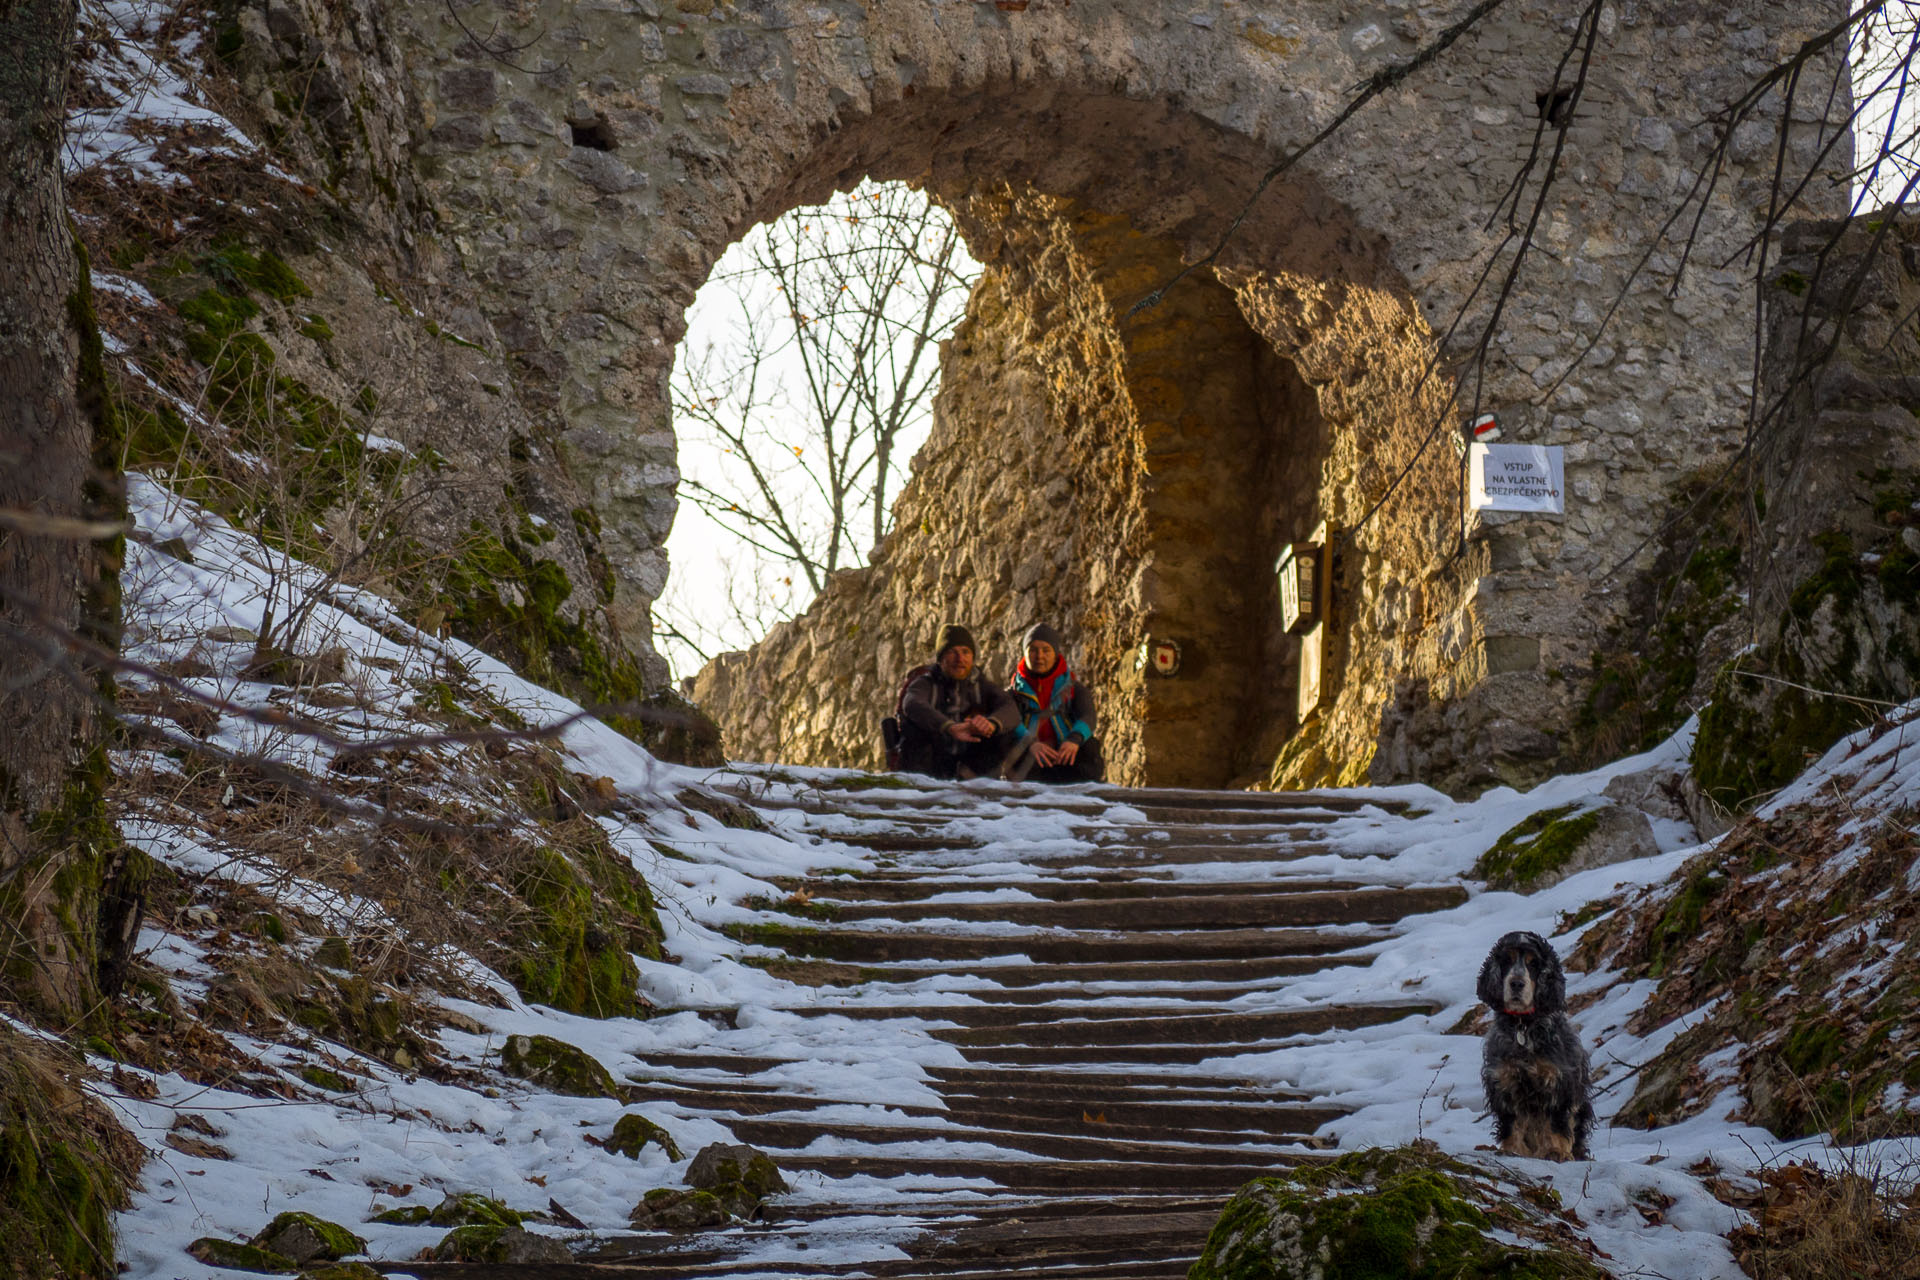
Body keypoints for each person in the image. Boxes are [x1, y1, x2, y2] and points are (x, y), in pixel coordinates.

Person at [891, 624, 1017, 780]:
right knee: (914, 728)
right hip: (931, 765)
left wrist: (990, 724)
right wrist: (948, 727)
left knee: (1003, 731)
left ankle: (983, 789)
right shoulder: (925, 683)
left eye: (966, 652)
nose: (960, 659)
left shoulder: (982, 686)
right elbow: (912, 703)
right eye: (952, 652)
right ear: (941, 658)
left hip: (971, 765)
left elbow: (1010, 708)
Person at [1002, 623, 1104, 784]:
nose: (1039, 656)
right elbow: (1010, 721)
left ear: (1055, 654)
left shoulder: (1073, 688)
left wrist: (1074, 740)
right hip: (1031, 760)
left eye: (1046, 650)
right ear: (1024, 654)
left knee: (1089, 745)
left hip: (1066, 756)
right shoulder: (1012, 693)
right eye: (1033, 650)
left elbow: (1088, 716)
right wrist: (1030, 743)